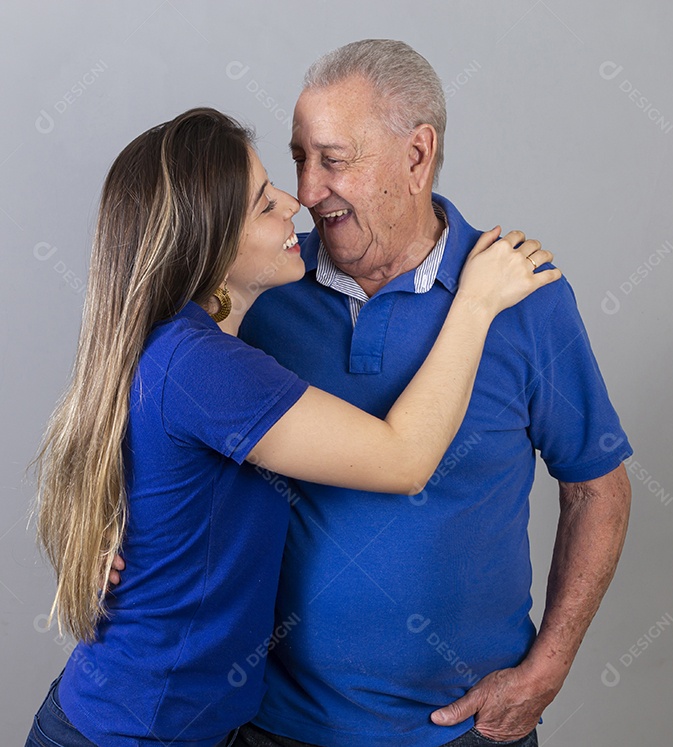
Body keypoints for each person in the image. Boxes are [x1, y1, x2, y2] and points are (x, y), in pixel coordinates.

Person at [26, 107, 559, 747]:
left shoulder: (181, 348)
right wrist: (474, 303)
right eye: (261, 204)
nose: (295, 199)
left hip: (178, 726)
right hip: (136, 733)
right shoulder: (207, 366)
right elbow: (404, 458)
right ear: (213, 245)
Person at [233, 40, 633, 747]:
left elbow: (598, 487)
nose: (307, 189)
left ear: (417, 156)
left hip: (463, 731)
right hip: (272, 724)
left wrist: (550, 664)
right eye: (299, 158)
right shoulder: (263, 289)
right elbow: (176, 420)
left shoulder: (522, 296)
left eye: (333, 158)